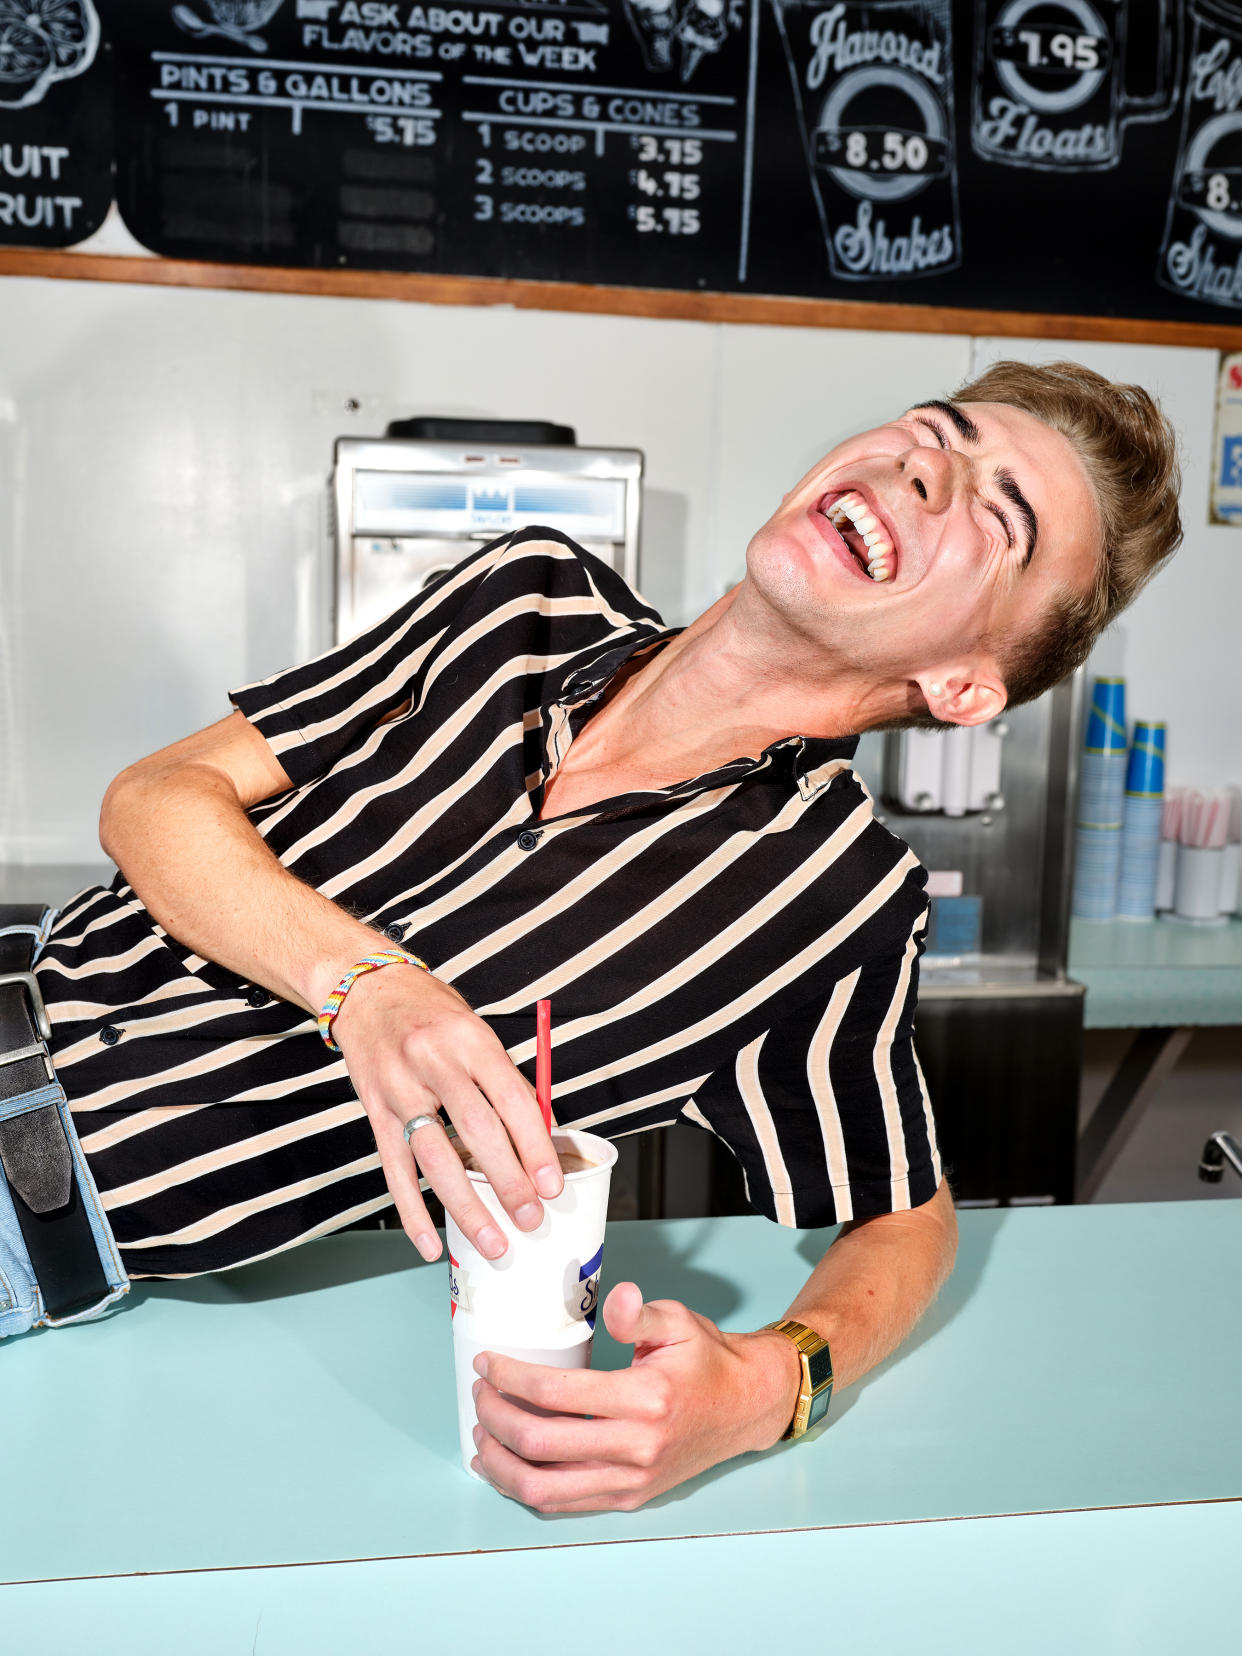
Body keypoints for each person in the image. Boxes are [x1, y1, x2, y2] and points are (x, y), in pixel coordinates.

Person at [15, 359, 1181, 1513]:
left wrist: (774, 1386)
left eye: (999, 512)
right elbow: (157, 798)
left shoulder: (832, 897)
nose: (931, 468)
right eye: (939, 430)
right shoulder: (523, 599)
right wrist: (364, 986)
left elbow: (906, 1214)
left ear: (966, 687)